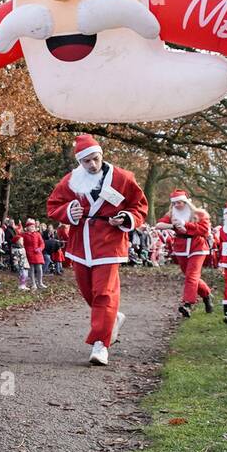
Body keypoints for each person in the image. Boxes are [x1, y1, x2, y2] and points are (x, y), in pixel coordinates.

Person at [46, 134, 148, 366]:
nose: (92, 165)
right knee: (87, 290)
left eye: (95, 159)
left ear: (102, 154)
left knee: (104, 293)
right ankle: (111, 318)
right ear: (80, 162)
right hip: (80, 243)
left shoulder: (122, 177)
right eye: (87, 161)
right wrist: (69, 212)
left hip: (109, 241)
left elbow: (139, 206)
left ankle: (101, 344)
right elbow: (54, 205)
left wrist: (125, 217)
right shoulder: (71, 180)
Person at [155, 189, 214, 317]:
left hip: (197, 246)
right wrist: (173, 226)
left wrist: (187, 225)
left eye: (180, 202)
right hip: (181, 247)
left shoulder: (199, 214)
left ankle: (187, 304)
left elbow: (204, 230)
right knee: (191, 276)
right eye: (174, 203)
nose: (177, 205)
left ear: (186, 202)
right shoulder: (172, 214)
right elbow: (159, 225)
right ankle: (207, 295)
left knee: (191, 275)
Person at [21, 218, 46, 289]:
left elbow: (42, 243)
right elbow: (19, 241)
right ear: (27, 227)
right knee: (31, 269)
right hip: (29, 254)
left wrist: (40, 248)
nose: (33, 228)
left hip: (38, 254)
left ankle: (40, 283)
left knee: (39, 268)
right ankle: (33, 284)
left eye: (33, 227)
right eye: (31, 226)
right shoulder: (24, 235)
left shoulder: (38, 234)